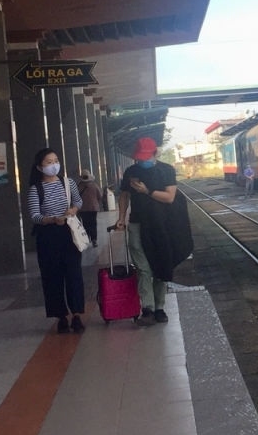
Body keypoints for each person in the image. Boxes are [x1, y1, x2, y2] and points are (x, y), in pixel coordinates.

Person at [115, 137, 193, 324]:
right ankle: (147, 308)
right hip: (137, 223)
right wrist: (121, 218)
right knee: (143, 267)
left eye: (146, 157)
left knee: (161, 263)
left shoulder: (166, 170)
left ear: (155, 153)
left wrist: (146, 191)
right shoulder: (131, 171)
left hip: (161, 225)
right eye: (139, 157)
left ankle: (160, 308)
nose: (142, 161)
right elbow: (124, 195)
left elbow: (169, 197)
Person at [26, 148, 86, 333]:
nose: (54, 165)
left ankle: (77, 314)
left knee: (74, 274)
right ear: (39, 167)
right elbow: (34, 215)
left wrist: (73, 210)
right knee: (52, 276)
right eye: (49, 162)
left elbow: (78, 202)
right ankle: (61, 316)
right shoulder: (35, 189)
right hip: (48, 236)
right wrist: (52, 219)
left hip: (69, 234)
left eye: (56, 161)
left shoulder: (68, 183)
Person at [77, 170, 102, 247]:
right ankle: (94, 240)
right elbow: (100, 195)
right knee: (93, 223)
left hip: (82, 209)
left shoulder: (79, 186)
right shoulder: (94, 185)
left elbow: (75, 197)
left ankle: (87, 238)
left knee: (85, 223)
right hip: (93, 208)